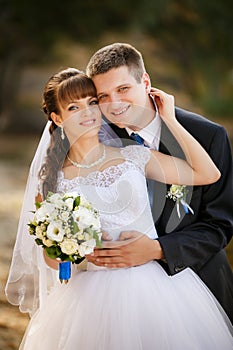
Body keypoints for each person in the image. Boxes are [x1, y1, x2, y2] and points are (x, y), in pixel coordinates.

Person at [5, 67, 233, 349]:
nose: (87, 113)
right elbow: (52, 260)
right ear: (57, 118)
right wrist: (84, 254)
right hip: (88, 296)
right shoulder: (52, 181)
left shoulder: (133, 156)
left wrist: (170, 120)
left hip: (156, 287)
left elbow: (207, 174)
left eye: (92, 102)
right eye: (74, 107)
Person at [86, 42, 233, 324]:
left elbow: (220, 225)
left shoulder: (208, 136)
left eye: (123, 89)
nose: (114, 104)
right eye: (103, 95)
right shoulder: (100, 140)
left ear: (146, 81)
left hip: (200, 285)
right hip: (120, 298)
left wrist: (157, 249)